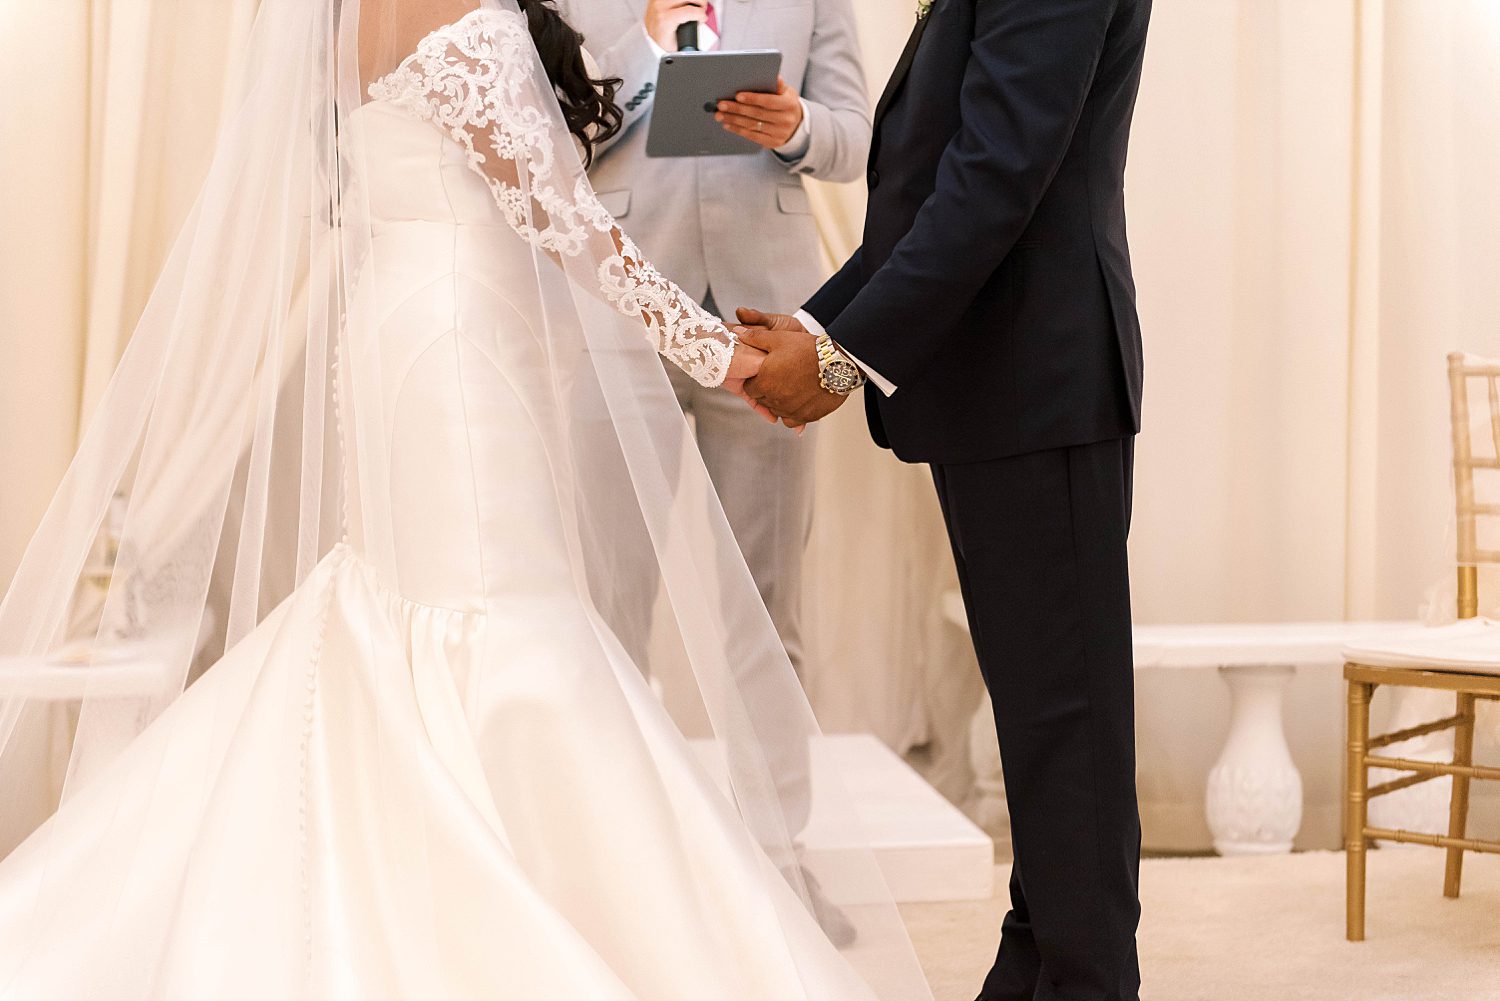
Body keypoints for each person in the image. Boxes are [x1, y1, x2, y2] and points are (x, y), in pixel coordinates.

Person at [0, 2, 930, 998]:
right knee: (499, 612)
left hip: (403, 323)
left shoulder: (344, 19)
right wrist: (720, 348)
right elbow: (568, 220)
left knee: (411, 607)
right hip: (457, 346)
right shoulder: (462, 15)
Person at [736, 1, 1154, 999]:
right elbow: (928, 185)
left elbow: (997, 171)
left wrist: (838, 358)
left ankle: (1088, 977)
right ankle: (1035, 962)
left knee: (1067, 730)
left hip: (1039, 378)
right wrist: (813, 324)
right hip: (997, 381)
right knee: (1041, 725)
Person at [552, 0, 870, 682]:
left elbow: (857, 139)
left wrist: (798, 127)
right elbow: (548, 142)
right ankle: (622, 789)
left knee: (768, 610)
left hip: (766, 321)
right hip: (625, 313)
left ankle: (775, 793)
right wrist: (645, 50)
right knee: (611, 606)